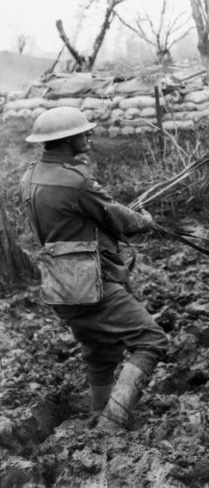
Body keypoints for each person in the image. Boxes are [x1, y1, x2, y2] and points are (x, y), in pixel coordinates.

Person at [19, 107, 167, 432]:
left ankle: (99, 411)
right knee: (151, 340)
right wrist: (145, 221)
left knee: (101, 351)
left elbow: (75, 220)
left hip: (60, 285)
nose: (88, 135)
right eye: (83, 132)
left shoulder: (29, 176)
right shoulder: (77, 183)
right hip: (93, 282)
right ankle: (112, 423)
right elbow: (119, 220)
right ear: (66, 139)